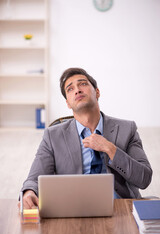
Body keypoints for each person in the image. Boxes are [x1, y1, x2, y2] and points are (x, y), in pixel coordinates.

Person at [19, 67, 152, 209]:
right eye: (70, 89)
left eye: (83, 84)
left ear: (97, 92)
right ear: (68, 104)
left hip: (120, 208)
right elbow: (33, 178)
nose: (77, 90)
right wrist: (28, 192)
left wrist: (111, 149)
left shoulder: (127, 129)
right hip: (72, 209)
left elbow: (144, 179)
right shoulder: (52, 136)